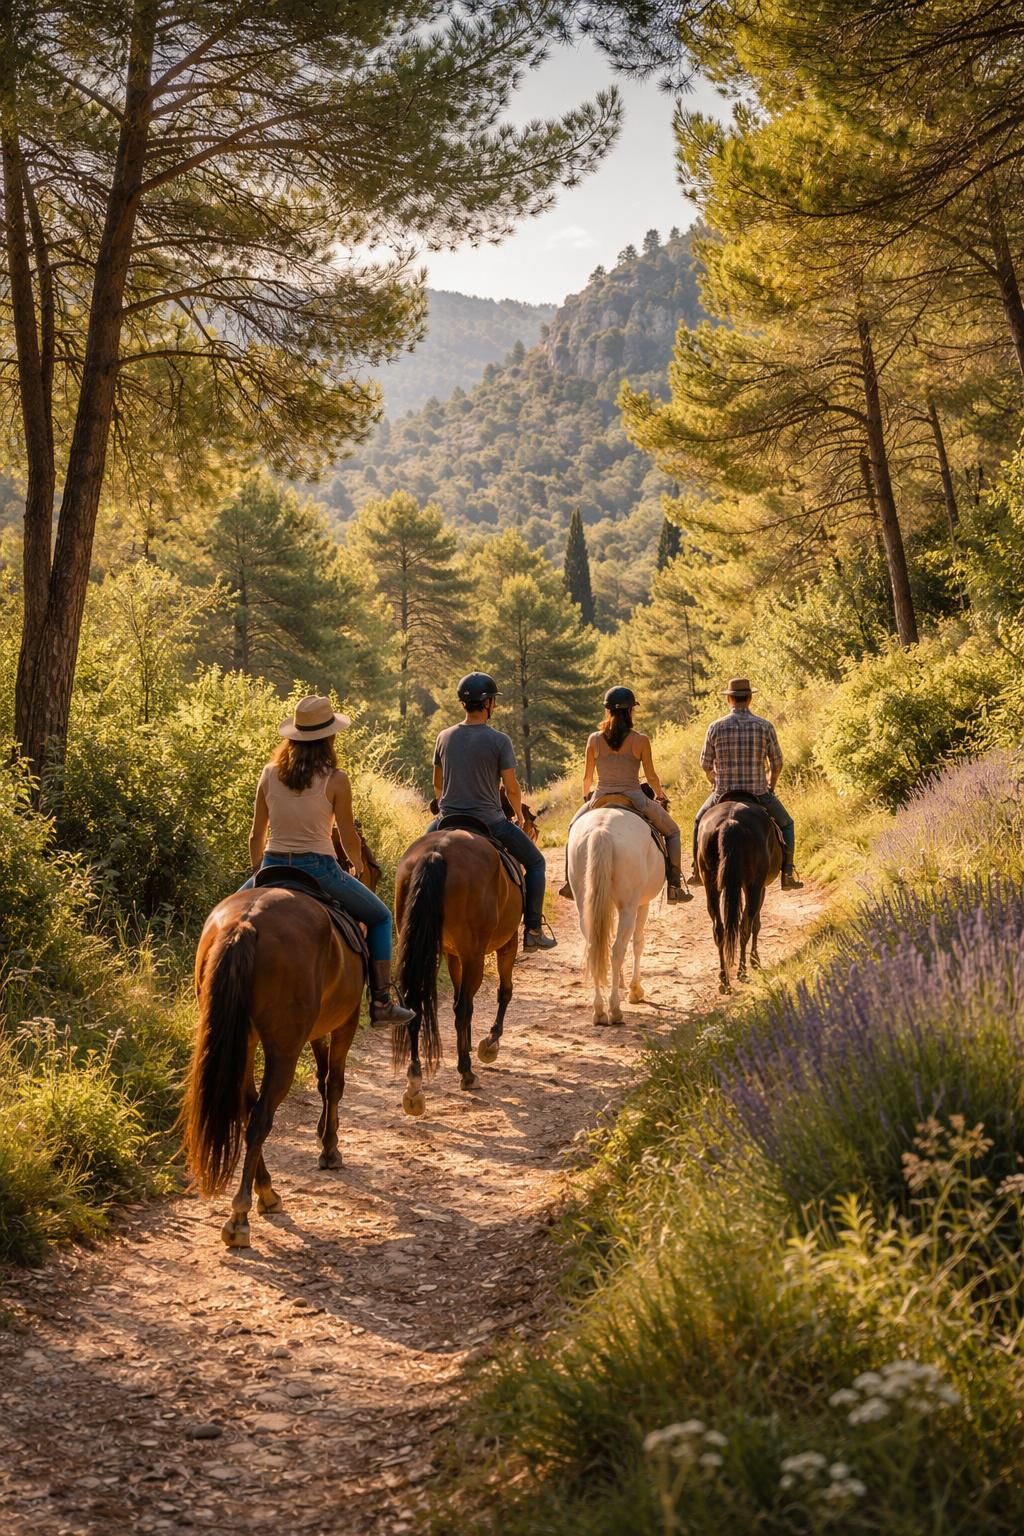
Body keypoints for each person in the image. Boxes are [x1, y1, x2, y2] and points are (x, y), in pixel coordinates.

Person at [243, 695, 415, 1025]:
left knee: (225, 920)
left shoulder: (268, 774)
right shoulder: (336, 779)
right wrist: (358, 867)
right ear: (329, 738)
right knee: (379, 917)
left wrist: (257, 873)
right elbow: (348, 837)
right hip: (318, 869)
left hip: (271, 866)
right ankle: (381, 1002)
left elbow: (255, 836)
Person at [429, 672, 557, 952]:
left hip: (446, 820)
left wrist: (446, 806)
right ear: (487, 703)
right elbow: (511, 789)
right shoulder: (499, 741)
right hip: (489, 821)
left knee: (415, 860)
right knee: (536, 864)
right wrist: (521, 817)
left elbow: (437, 785)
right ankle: (533, 929)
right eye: (493, 701)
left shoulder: (443, 736)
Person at [560, 686, 691, 903]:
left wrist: (587, 798)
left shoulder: (594, 739)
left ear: (607, 711)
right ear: (630, 711)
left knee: (573, 828)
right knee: (673, 832)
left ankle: (569, 884)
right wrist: (660, 795)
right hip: (635, 798)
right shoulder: (640, 740)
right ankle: (675, 887)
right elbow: (651, 777)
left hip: (600, 798)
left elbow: (586, 778)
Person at [692, 677, 803, 891]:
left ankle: (697, 870)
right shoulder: (765, 726)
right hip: (758, 792)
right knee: (787, 824)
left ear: (730, 699)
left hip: (723, 792)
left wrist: (715, 781)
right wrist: (771, 784)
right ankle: (787, 872)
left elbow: (705, 764)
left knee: (699, 822)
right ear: (750, 698)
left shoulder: (715, 727)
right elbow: (777, 763)